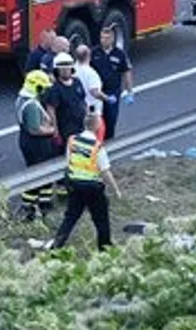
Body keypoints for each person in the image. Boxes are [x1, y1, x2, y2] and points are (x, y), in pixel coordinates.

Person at [50, 112, 122, 251]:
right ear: (97, 126)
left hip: (74, 184)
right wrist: (116, 190)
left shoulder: (72, 140)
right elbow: (105, 171)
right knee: (101, 219)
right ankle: (105, 248)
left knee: (70, 217)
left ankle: (56, 246)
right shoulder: (97, 147)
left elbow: (68, 161)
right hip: (92, 187)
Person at [16, 69, 58, 216]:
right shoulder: (31, 105)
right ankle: (30, 206)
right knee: (39, 173)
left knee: (39, 172)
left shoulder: (22, 98)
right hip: (36, 143)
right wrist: (52, 131)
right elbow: (35, 129)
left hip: (27, 141)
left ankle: (42, 202)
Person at [90, 25, 134, 140]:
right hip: (97, 93)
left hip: (112, 92)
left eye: (107, 38)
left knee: (111, 119)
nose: (104, 40)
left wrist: (129, 91)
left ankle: (110, 142)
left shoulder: (119, 54)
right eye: (102, 38)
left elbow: (126, 71)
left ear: (112, 39)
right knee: (96, 121)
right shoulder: (94, 53)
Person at [42, 52, 87, 156]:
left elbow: (83, 102)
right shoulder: (54, 89)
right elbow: (51, 110)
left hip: (80, 127)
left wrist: (87, 120)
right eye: (62, 68)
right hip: (65, 129)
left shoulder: (77, 82)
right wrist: (56, 131)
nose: (66, 71)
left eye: (67, 68)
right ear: (57, 70)